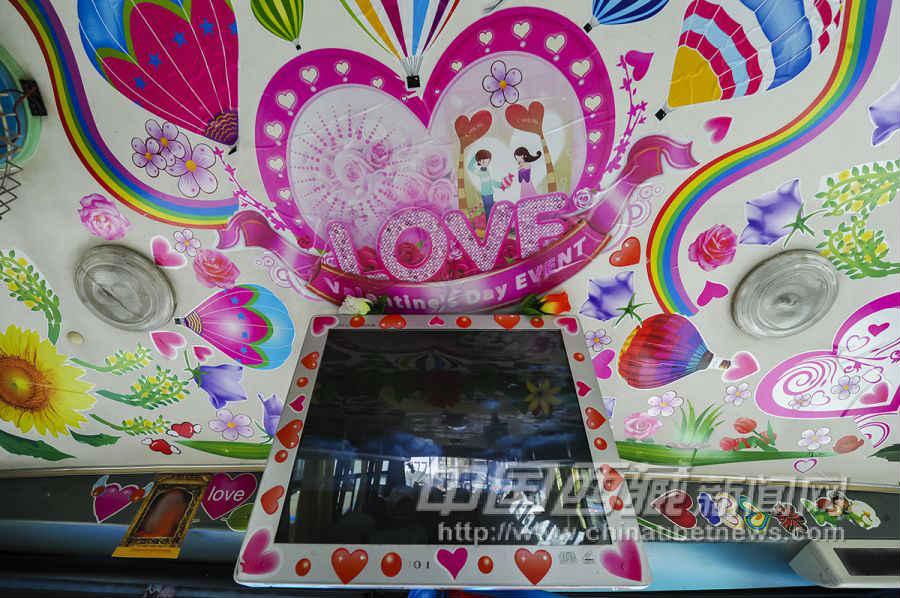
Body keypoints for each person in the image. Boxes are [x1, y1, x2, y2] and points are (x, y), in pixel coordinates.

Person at [467, 149, 502, 216]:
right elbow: (470, 167)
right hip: (486, 194)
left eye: (487, 161)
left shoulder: (487, 171)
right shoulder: (480, 172)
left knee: (490, 209)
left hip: (489, 193)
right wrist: (476, 157)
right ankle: (489, 221)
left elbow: (491, 182)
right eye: (483, 161)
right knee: (489, 210)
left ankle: (490, 220)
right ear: (479, 162)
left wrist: (500, 185)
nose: (486, 163)